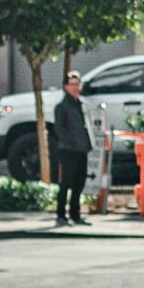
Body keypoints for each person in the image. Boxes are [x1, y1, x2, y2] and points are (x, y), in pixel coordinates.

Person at [52, 71, 91, 227]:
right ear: (66, 87)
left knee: (79, 183)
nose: (76, 87)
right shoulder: (62, 107)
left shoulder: (81, 105)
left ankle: (75, 214)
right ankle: (61, 214)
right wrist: (71, 143)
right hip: (68, 150)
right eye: (72, 84)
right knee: (66, 183)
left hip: (82, 149)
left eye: (78, 84)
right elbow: (59, 129)